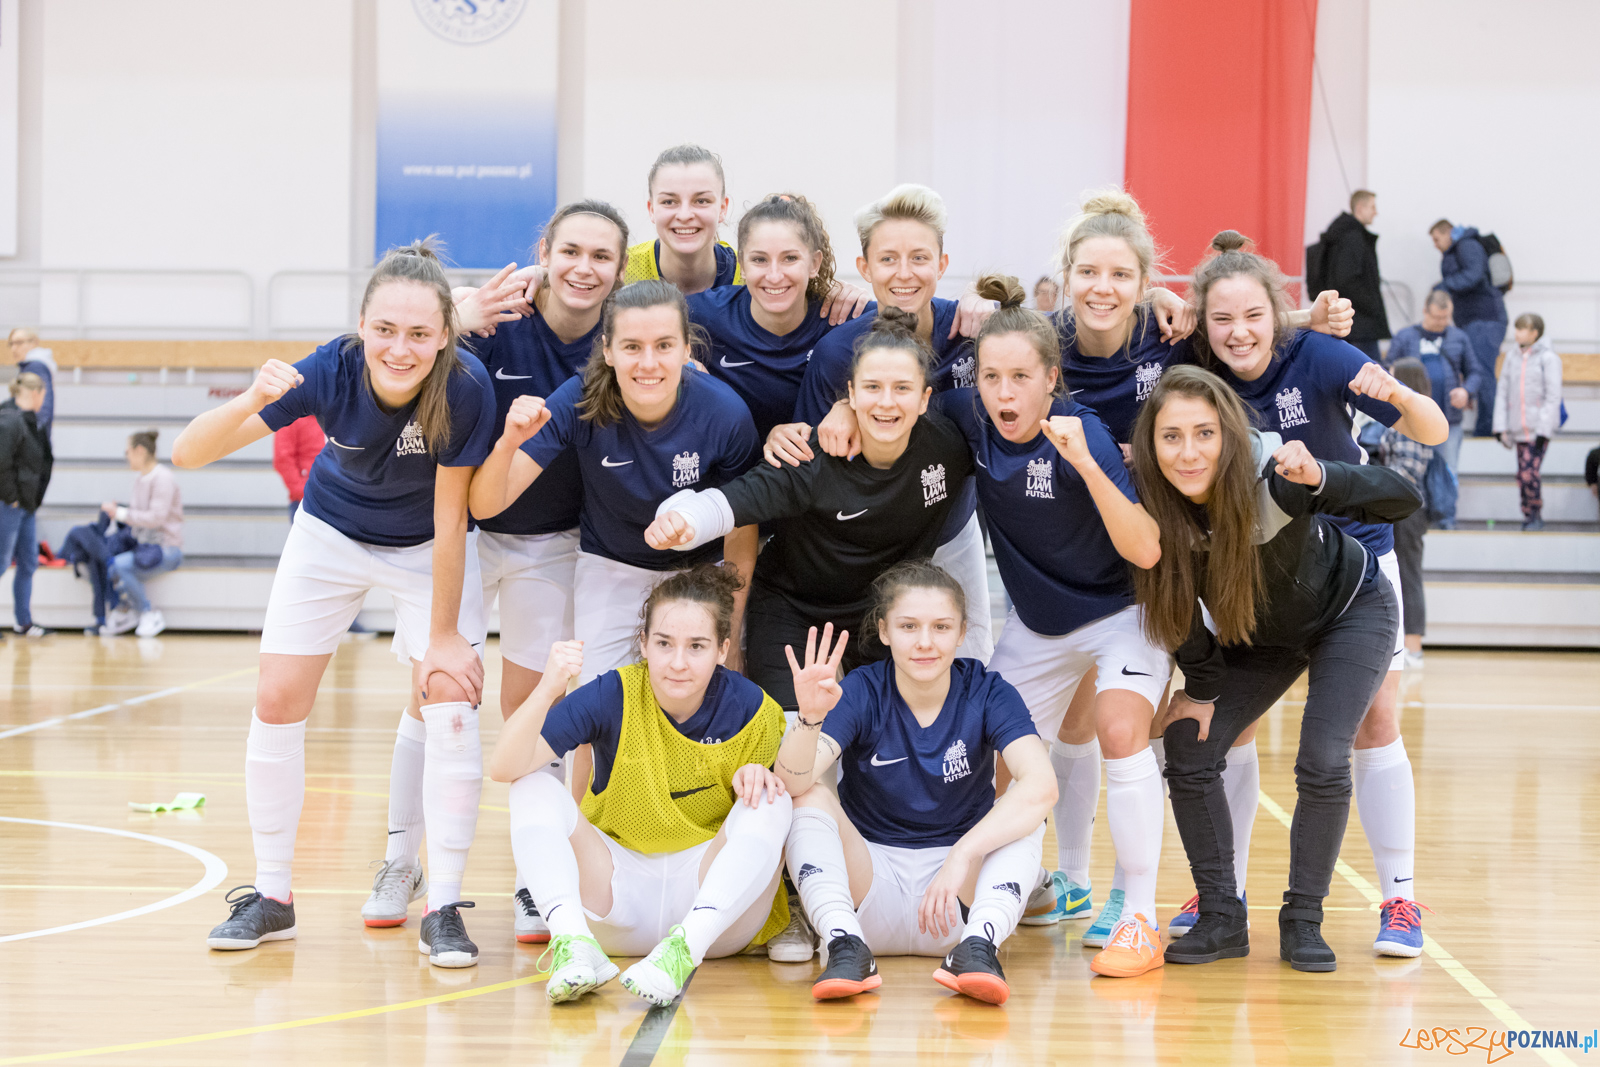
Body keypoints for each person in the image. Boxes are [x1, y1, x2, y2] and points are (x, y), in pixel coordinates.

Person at [1024, 191, 1349, 945]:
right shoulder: (1042, 346)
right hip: (1066, 559)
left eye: (1120, 273)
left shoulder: (1170, 336)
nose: (1102, 287)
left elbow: (1246, 328)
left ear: (1145, 283)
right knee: (1073, 722)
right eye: (1087, 271)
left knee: (1182, 727)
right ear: (1066, 276)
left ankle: (1195, 890)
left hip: (1166, 565)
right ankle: (1072, 874)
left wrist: (1308, 321)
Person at [175, 240, 511, 967]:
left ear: (446, 333)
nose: (400, 347)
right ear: (362, 324)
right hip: (330, 531)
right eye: (385, 329)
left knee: (451, 697)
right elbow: (188, 455)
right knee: (276, 695)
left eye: (420, 333)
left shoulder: (466, 386)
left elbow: (451, 516)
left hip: (426, 543)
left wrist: (448, 635)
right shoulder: (327, 368)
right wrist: (252, 396)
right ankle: (272, 896)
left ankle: (444, 903)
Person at [1193, 230, 1446, 960]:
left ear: (1279, 315)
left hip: (1355, 565)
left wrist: (1397, 392)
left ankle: (1399, 896)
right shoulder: (1197, 369)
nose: (1238, 331)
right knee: (1229, 729)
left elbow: (1431, 428)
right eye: (1221, 319)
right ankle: (1225, 892)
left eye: (1253, 315)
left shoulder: (1323, 357)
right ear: (1204, 326)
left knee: (1374, 724)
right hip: (1258, 576)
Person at [1129, 365, 1419, 972]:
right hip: (1262, 637)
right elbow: (1179, 618)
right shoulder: (1151, 511)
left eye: (1204, 434)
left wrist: (1322, 477)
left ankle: (1303, 919)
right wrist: (1202, 691)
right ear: (1152, 445)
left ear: (1230, 437)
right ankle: (1221, 917)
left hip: (1350, 611)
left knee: (1320, 756)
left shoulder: (1272, 482)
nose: (1188, 452)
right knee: (1189, 744)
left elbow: (1403, 497)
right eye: (1172, 436)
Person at [933, 275, 1170, 978]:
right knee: (996, 759)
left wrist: (1088, 465)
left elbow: (1147, 549)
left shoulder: (1083, 429)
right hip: (1037, 624)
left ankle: (1139, 915)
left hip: (1119, 611)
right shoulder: (967, 418)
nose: (1005, 393)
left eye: (1021, 378)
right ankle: (1027, 889)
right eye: (992, 377)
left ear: (1051, 379)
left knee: (1121, 729)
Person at [490, 565, 791, 1006]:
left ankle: (682, 950)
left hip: (714, 916)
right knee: (529, 785)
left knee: (772, 798)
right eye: (664, 643)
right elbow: (503, 767)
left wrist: (761, 777)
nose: (678, 662)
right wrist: (547, 687)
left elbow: (770, 833)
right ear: (644, 644)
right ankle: (574, 945)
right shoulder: (613, 694)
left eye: (697, 646)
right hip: (616, 900)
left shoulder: (752, 709)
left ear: (723, 650)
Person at [648, 307, 972, 708]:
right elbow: (737, 500)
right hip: (793, 610)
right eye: (872, 387)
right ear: (850, 394)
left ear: (925, 398)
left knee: (882, 739)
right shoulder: (812, 456)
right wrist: (684, 521)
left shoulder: (949, 447)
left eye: (902, 388)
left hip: (883, 616)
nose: (886, 403)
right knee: (792, 739)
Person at [774, 562, 1055, 1005]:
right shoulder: (863, 689)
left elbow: (1042, 786)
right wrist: (808, 718)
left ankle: (980, 946)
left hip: (958, 900)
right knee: (809, 795)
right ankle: (842, 943)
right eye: (909, 626)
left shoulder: (987, 690)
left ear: (962, 632)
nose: (925, 641)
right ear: (884, 631)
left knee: (1027, 803)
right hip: (868, 890)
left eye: (941, 626)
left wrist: (963, 853)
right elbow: (791, 783)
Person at [687, 194, 858, 442]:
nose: (775, 275)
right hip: (736, 475)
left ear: (814, 263)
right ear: (742, 266)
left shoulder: (845, 316)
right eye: (759, 260)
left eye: (790, 258)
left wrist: (851, 405)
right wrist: (682, 364)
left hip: (819, 472)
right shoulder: (704, 313)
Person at [1385, 290, 1482, 525]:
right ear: (1424, 312)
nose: (1441, 323)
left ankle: (1445, 518)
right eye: (1437, 317)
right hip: (1408, 418)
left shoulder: (1459, 337)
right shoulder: (1405, 336)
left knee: (1447, 470)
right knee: (1410, 470)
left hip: (1448, 420)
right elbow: (1386, 367)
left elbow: (1476, 373)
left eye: (1445, 318)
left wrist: (1466, 391)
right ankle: (1411, 517)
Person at [1378, 359, 1436, 667]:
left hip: (1407, 508)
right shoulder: (1407, 417)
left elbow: (1408, 471)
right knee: (1400, 575)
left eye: (1395, 377)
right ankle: (1406, 646)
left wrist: (1375, 479)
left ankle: (1413, 647)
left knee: (1409, 575)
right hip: (1402, 506)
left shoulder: (1415, 419)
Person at [103, 429, 184, 638]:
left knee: (120, 565)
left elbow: (156, 517)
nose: (126, 457)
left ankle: (148, 612)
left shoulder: (162, 478)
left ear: (139, 451)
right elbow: (138, 518)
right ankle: (129, 610)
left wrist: (121, 513)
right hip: (145, 547)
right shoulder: (140, 480)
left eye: (127, 451)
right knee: (110, 566)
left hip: (166, 548)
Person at [1431, 219, 1508, 437]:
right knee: (1478, 371)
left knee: (1482, 372)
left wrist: (1443, 286)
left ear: (1448, 233)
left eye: (1437, 239)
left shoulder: (1466, 245)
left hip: (1485, 321)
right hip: (1475, 321)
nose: (1436, 244)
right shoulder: (1460, 248)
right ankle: (1486, 427)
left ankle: (1488, 429)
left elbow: (1474, 274)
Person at [1494, 312, 1564, 531]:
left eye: (1522, 329)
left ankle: (1534, 513)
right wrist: (1500, 426)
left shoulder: (1549, 359)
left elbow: (1553, 396)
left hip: (1538, 429)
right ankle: (1529, 514)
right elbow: (1503, 391)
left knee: (1529, 472)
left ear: (1535, 333)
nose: (1517, 333)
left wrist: (1544, 429)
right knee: (1522, 474)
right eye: (1516, 328)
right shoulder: (1512, 357)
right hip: (1518, 428)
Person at [0, 373, 52, 638]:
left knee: (28, 563)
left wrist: (30, 500)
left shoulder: (32, 423)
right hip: (10, 505)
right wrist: (11, 497)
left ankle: (23, 621)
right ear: (36, 393)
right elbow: (2, 462)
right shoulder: (10, 419)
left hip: (26, 507)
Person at [1314, 190, 1391, 362]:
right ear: (1360, 208)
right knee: (1368, 377)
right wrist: (1372, 304)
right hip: (1359, 326)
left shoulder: (1346, 235)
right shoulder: (1352, 238)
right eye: (1372, 207)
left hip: (1353, 321)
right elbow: (1347, 279)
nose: (1376, 212)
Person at [272, 415, 324, 521]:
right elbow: (283, 459)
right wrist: (304, 493)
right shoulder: (291, 417)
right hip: (307, 503)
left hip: (340, 501)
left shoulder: (337, 412)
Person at [8, 328, 57, 436]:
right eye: (11, 344)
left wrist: (34, 437)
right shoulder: (32, 366)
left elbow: (43, 404)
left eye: (19, 343)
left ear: (34, 343)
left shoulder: (35, 367)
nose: (14, 349)